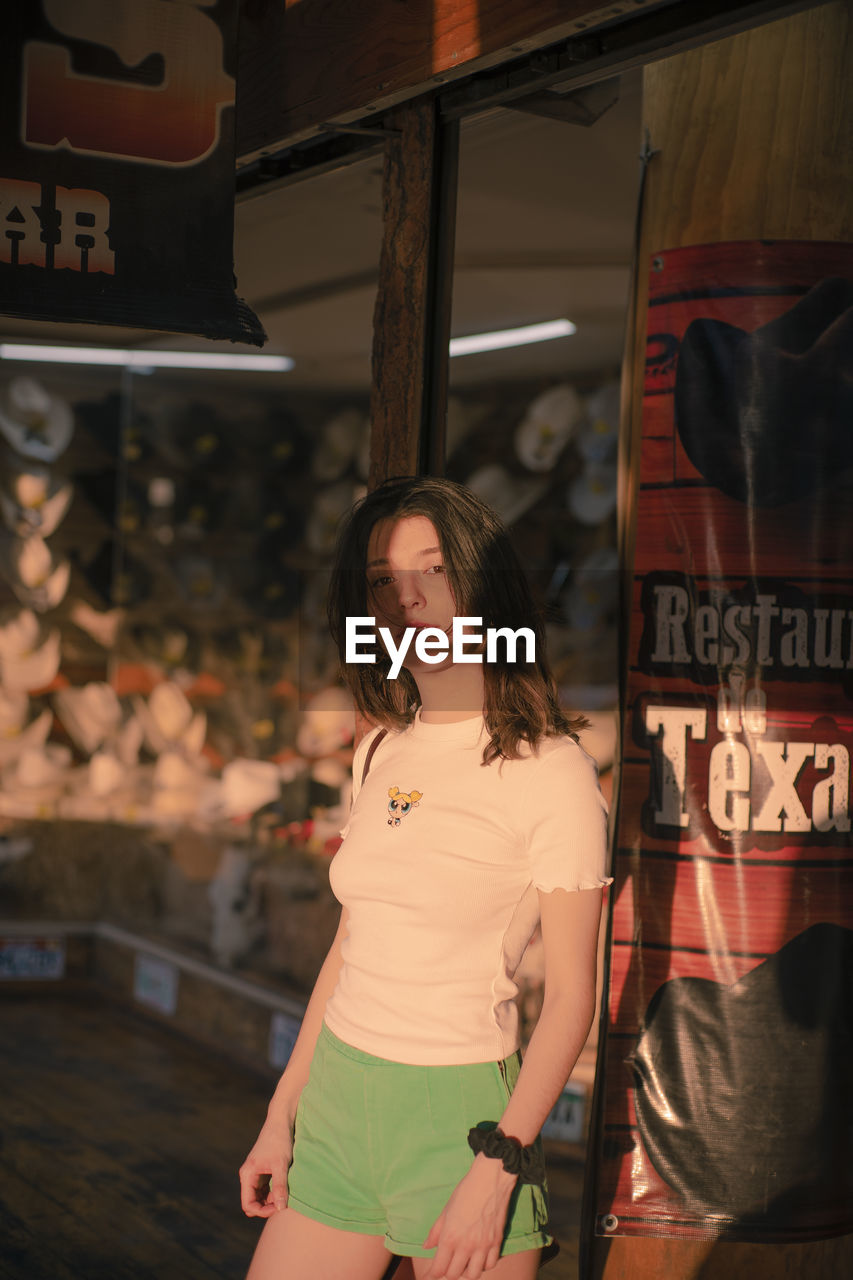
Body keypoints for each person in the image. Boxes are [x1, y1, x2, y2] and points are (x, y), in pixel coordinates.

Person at [239, 476, 611, 1280]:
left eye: (432, 569)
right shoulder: (379, 749)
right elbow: (350, 947)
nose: (405, 596)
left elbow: (575, 1000)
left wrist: (497, 1165)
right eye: (380, 579)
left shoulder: (552, 770)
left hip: (462, 1120)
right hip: (339, 1099)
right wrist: (282, 1115)